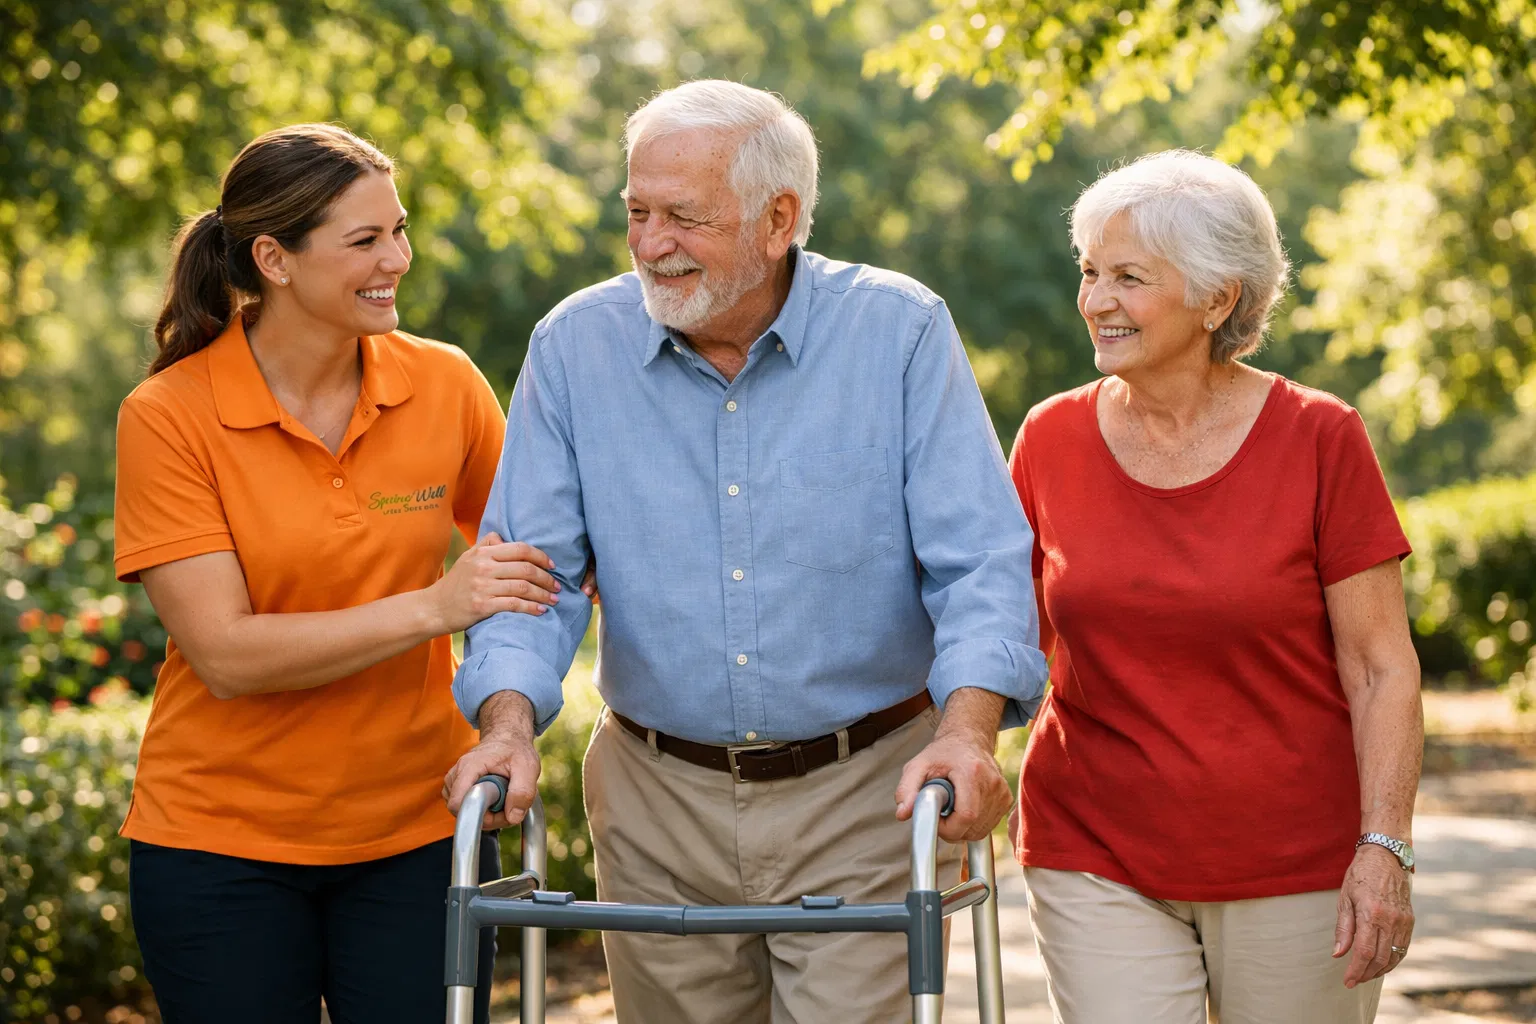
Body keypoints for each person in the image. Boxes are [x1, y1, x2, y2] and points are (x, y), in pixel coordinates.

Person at [442, 80, 1048, 1023]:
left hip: (863, 791)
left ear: (780, 220)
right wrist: (508, 724)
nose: (650, 243)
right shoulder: (574, 347)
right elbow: (537, 577)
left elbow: (978, 561)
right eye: (637, 212)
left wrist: (966, 734)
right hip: (654, 797)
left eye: (685, 217)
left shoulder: (899, 330)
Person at [114, 123, 561, 1024]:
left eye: (399, 230)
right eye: (364, 240)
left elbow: (534, 567)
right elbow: (227, 656)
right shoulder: (168, 416)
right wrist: (433, 606)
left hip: (418, 834)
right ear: (274, 259)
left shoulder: (445, 383)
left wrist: (510, 715)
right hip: (219, 849)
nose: (397, 258)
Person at [1008, 149, 1423, 1023]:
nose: (1096, 300)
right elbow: (1002, 628)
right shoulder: (1048, 438)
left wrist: (1384, 849)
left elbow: (1383, 668)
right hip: (1094, 846)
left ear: (1218, 298)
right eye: (1089, 272)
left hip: (1297, 863)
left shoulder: (1320, 437)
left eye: (1128, 277)